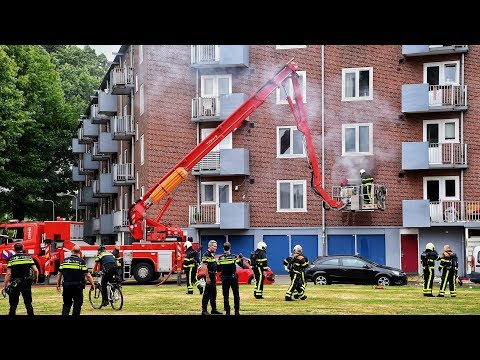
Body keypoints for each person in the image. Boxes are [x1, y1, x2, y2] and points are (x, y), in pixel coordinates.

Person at [56, 245, 95, 315]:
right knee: (77, 305)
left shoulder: (65, 261)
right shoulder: (81, 262)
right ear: (79, 252)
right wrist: (92, 285)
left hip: (67, 286)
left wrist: (58, 285)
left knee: (66, 304)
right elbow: (88, 275)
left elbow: (59, 274)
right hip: (78, 287)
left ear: (71, 251)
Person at [2, 242, 39, 316]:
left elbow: (8, 274)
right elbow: (35, 270)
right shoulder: (28, 257)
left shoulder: (11, 259)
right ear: (23, 248)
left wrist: (5, 286)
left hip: (15, 284)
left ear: (14, 249)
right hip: (26, 283)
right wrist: (36, 279)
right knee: (28, 303)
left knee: (13, 305)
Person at [217, 241, 248, 315]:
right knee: (236, 295)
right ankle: (236, 312)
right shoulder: (233, 257)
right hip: (233, 277)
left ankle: (227, 311)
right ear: (230, 248)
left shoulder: (220, 258)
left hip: (224, 278)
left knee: (226, 295)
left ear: (223, 248)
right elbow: (241, 265)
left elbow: (218, 269)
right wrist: (241, 258)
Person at [200, 240, 222, 315]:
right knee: (207, 293)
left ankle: (214, 309)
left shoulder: (212, 254)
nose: (216, 247)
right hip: (209, 275)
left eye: (216, 246)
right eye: (214, 246)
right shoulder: (206, 254)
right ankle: (204, 310)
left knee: (213, 293)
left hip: (213, 275)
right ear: (210, 246)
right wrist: (207, 277)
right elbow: (205, 267)